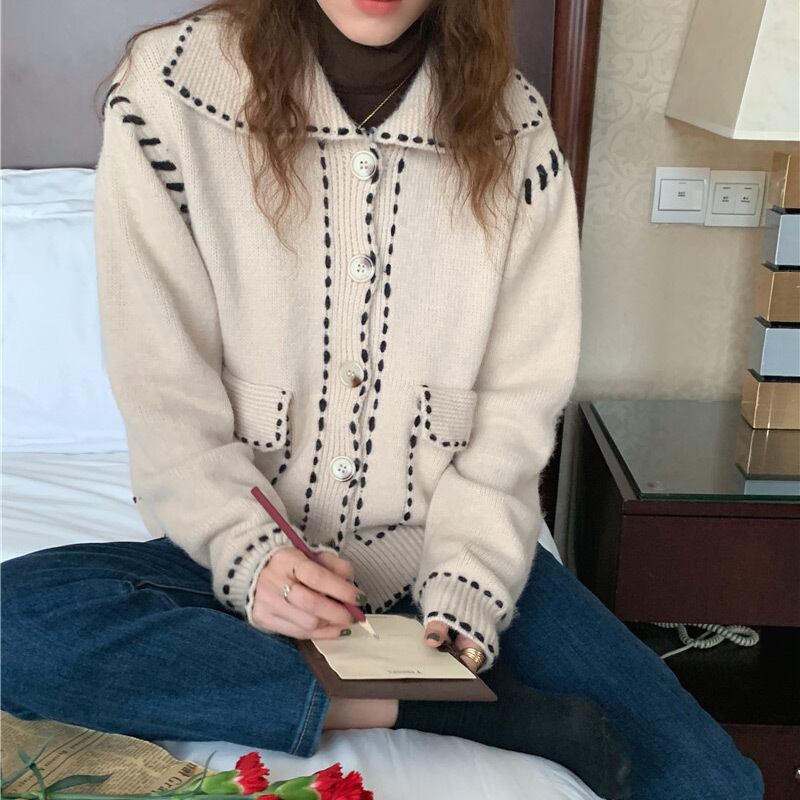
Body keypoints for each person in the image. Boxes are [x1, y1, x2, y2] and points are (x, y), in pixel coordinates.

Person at [1, 2, 763, 798]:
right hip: (234, 564)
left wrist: (466, 594)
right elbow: (165, 392)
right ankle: (428, 708)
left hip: (451, 551)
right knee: (13, 627)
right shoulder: (171, 89)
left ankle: (421, 679)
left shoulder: (516, 130)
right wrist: (257, 562)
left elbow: (514, 416)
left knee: (712, 782)